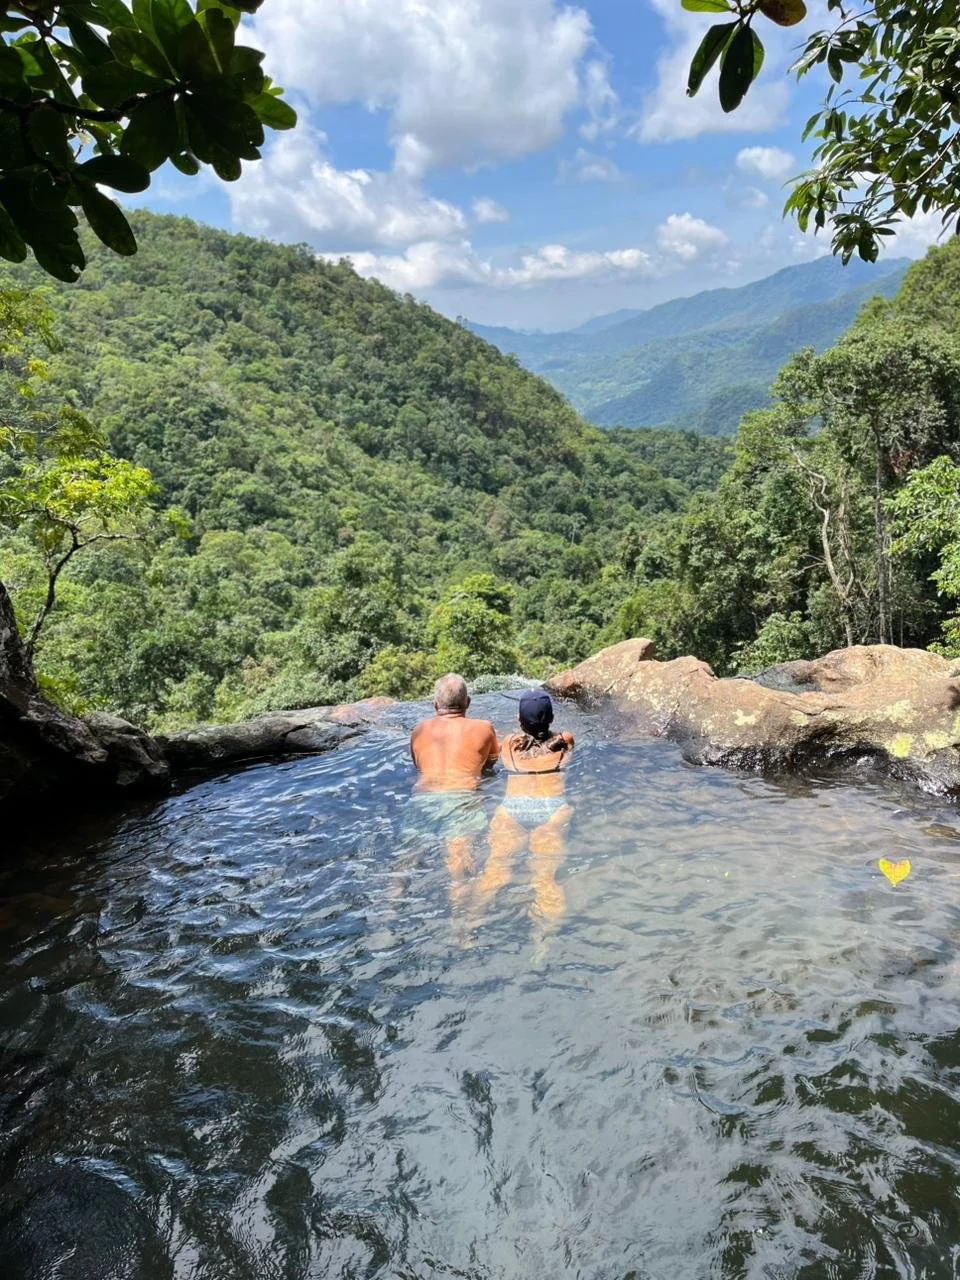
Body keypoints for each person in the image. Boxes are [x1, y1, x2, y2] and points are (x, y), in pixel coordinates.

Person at [474, 689, 574, 929]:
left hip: (512, 809)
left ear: (519, 721)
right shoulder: (566, 739)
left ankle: (468, 924)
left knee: (495, 870)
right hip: (551, 809)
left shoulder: (509, 743)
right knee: (544, 877)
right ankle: (544, 940)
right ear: (551, 718)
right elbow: (559, 745)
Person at [409, 674, 499, 900]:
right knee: (459, 870)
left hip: (423, 798)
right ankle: (462, 931)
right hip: (462, 800)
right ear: (468, 702)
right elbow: (491, 762)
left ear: (434, 704)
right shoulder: (484, 727)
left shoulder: (418, 730)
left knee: (406, 862)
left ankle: (388, 914)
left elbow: (419, 766)